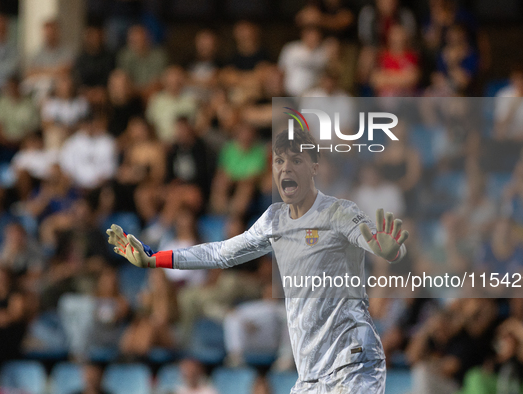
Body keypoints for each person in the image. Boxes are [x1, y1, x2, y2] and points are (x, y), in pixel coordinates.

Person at [107, 129, 409, 393]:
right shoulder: (274, 220)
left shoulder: (339, 213)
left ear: (314, 167)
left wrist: (389, 250)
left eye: (296, 161)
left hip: (352, 360)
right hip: (312, 373)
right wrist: (153, 259)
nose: (286, 168)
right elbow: (220, 254)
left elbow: (374, 241)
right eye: (279, 161)